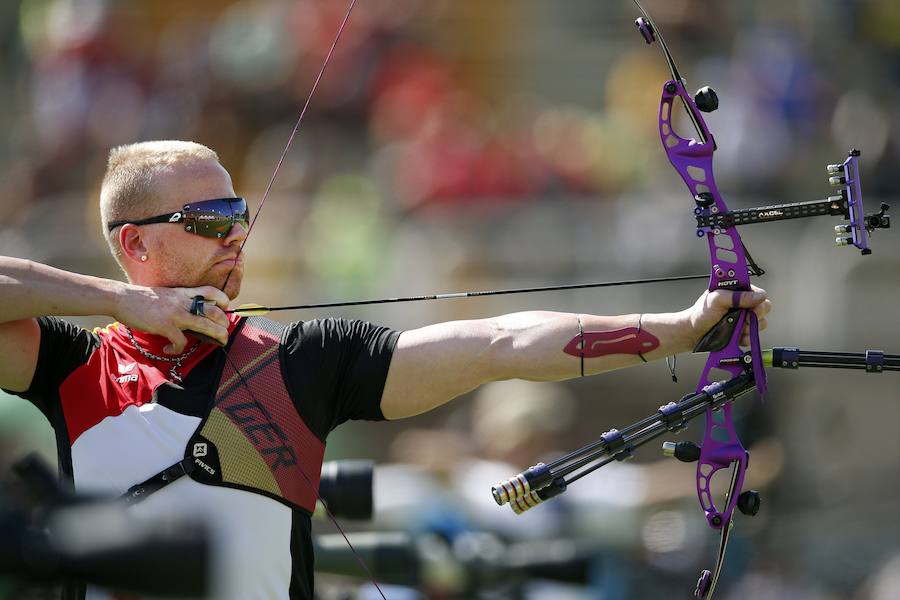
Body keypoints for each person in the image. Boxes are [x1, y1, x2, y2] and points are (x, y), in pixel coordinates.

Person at [0, 140, 771, 600]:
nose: (236, 237)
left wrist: (677, 331)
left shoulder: (302, 363)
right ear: (136, 246)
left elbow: (498, 343)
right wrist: (122, 304)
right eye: (210, 223)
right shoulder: (75, 366)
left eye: (240, 216)